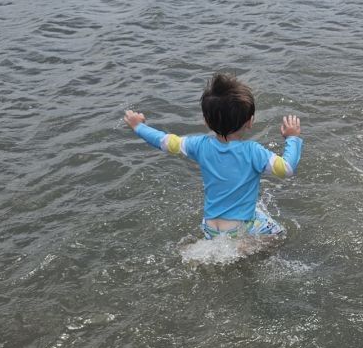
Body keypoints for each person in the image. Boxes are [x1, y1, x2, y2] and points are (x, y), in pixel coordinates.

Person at [124, 72, 303, 239]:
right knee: (279, 234)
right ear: (250, 122)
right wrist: (292, 138)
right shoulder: (253, 151)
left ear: (206, 121)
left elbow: (164, 141)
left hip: (210, 226)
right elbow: (286, 169)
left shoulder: (199, 145)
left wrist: (138, 126)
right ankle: (246, 246)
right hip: (240, 227)